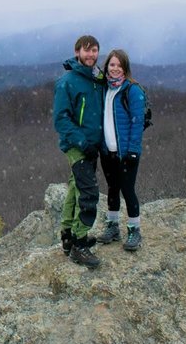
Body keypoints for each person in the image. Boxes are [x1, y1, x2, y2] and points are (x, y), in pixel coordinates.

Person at [53, 35, 106, 268]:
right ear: (77, 52)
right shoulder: (68, 82)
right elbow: (61, 119)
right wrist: (82, 143)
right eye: (86, 51)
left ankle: (67, 236)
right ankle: (79, 244)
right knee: (89, 193)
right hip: (78, 147)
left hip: (93, 146)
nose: (91, 55)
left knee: (76, 188)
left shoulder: (97, 79)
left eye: (94, 50)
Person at [97, 48, 146, 251]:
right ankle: (113, 226)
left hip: (126, 152)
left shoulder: (131, 90)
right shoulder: (104, 89)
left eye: (119, 65)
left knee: (127, 189)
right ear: (107, 66)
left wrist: (133, 151)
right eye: (112, 64)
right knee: (112, 189)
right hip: (107, 151)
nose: (115, 68)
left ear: (125, 68)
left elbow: (137, 121)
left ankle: (135, 230)